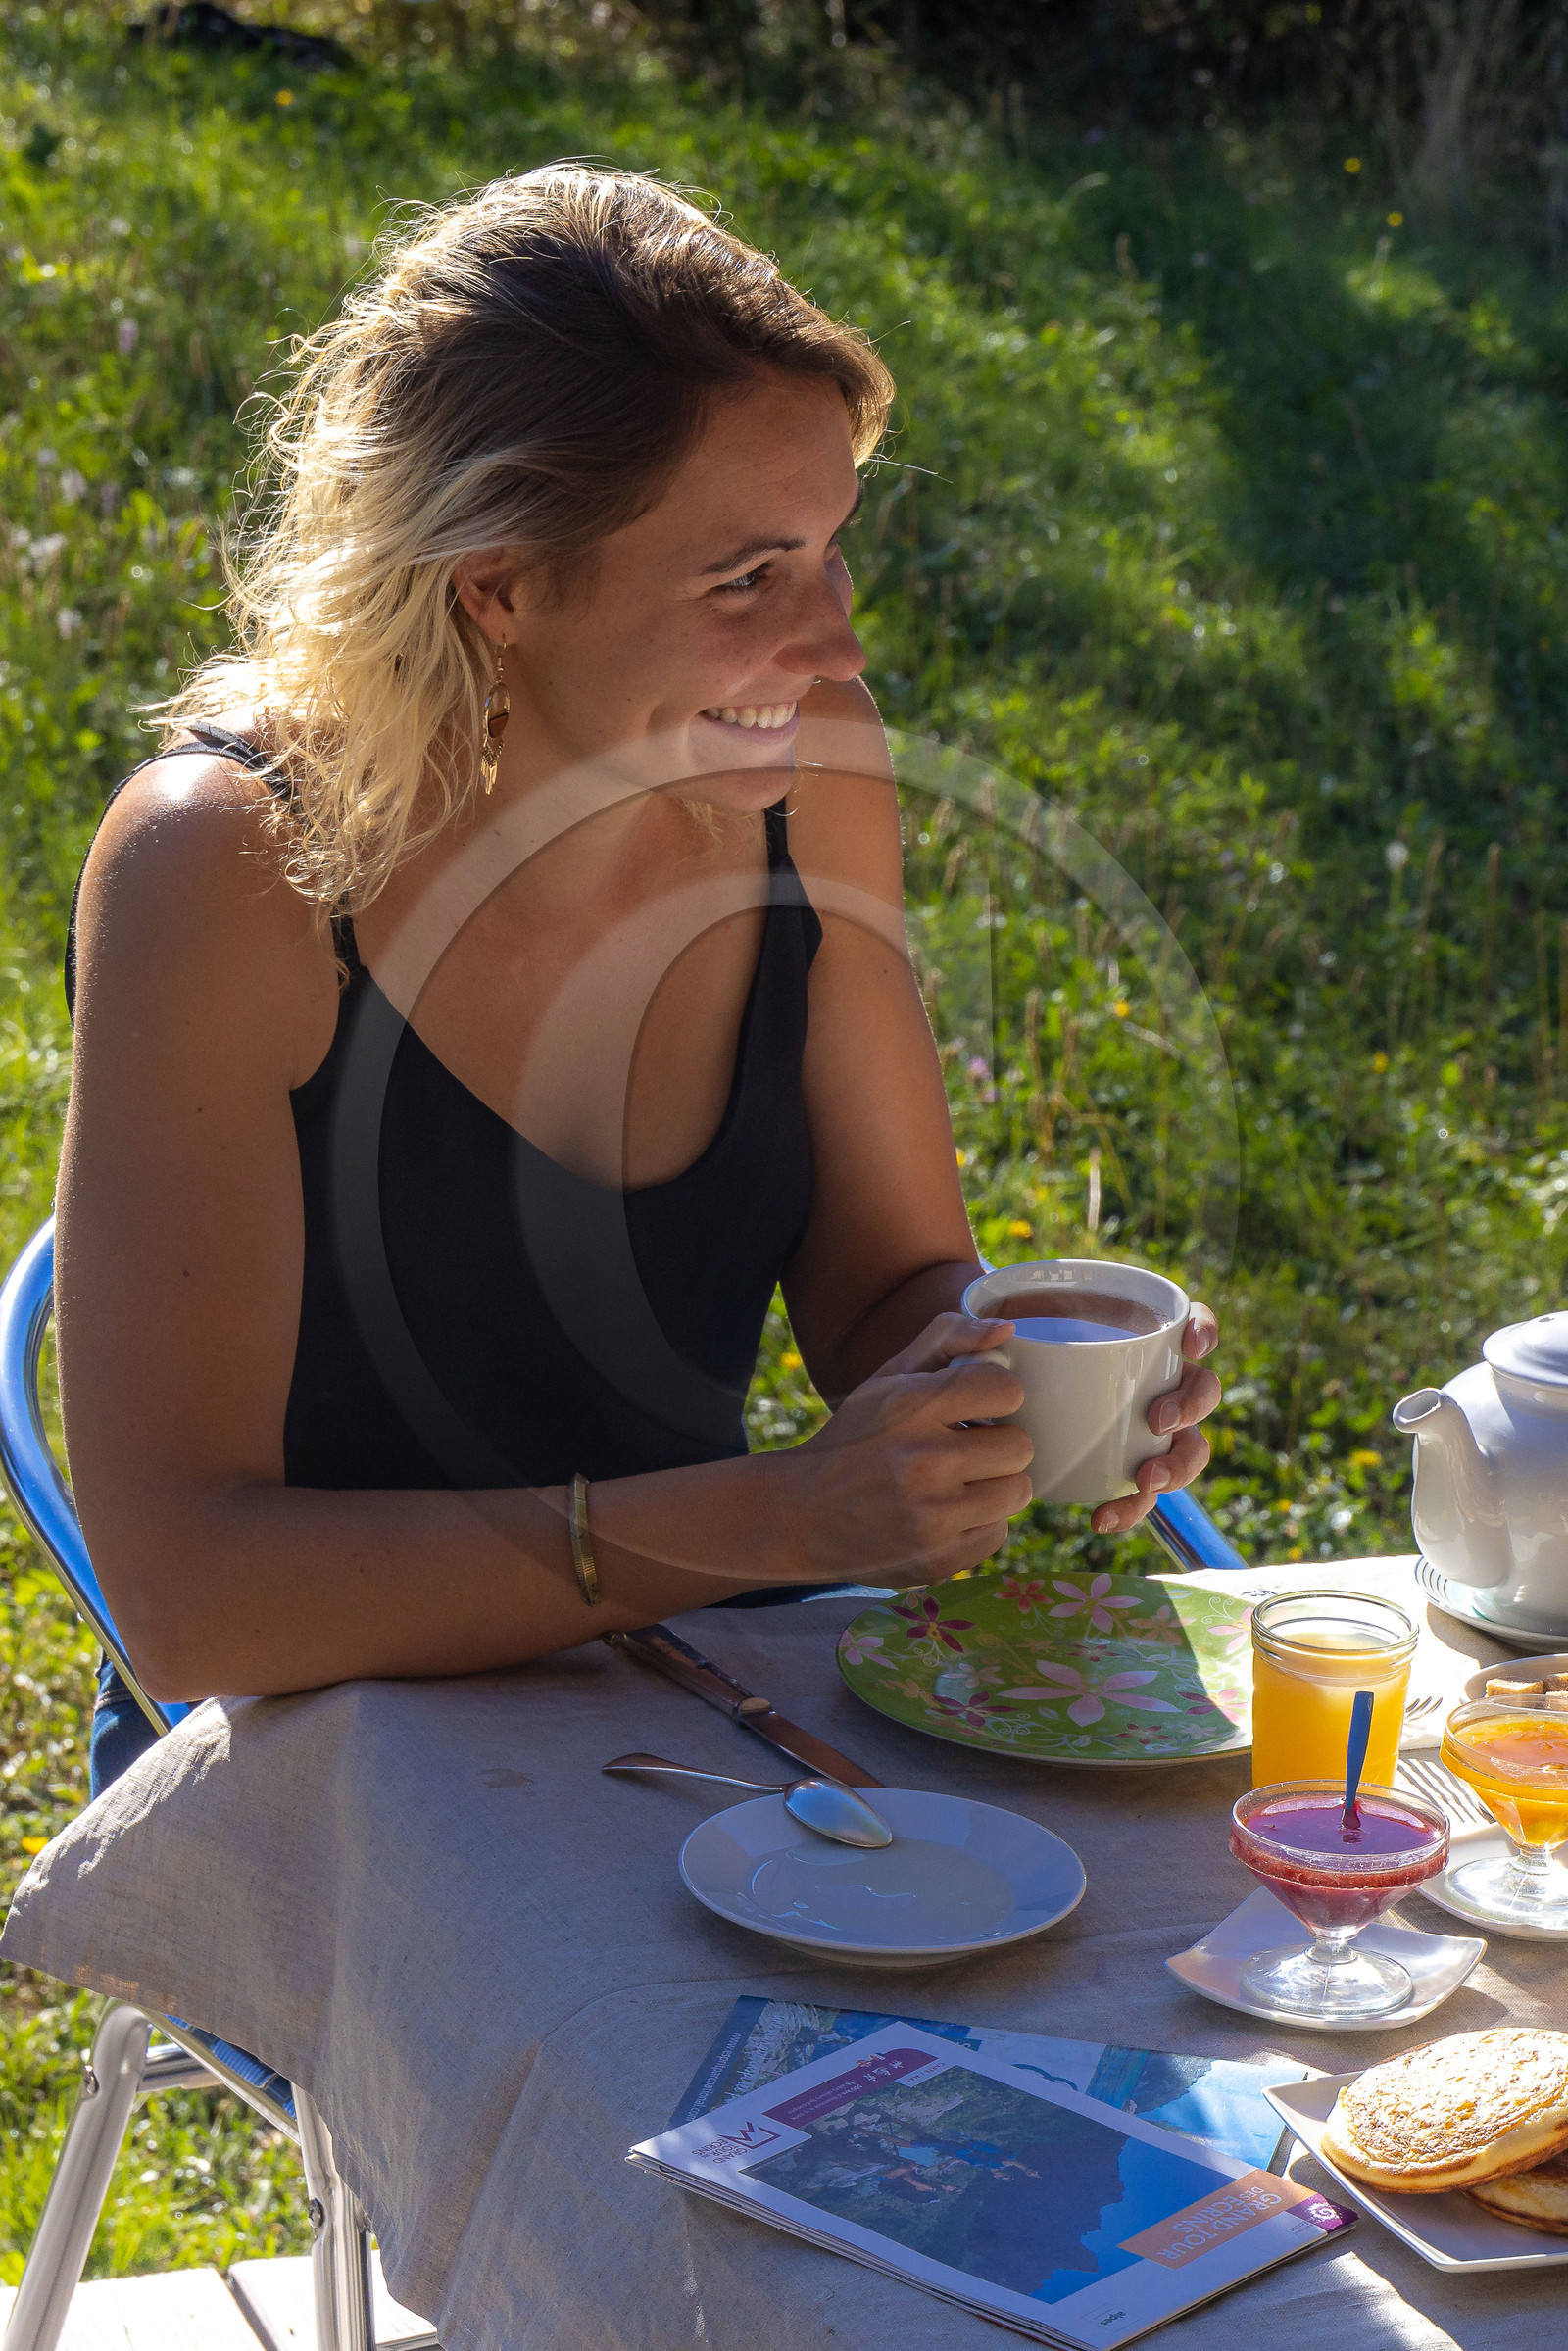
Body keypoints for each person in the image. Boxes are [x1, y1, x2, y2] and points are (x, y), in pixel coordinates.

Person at [56, 167, 1220, 1795]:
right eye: (748, 579)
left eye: (831, 554)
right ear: (500, 585)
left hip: (713, 1698)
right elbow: (194, 1602)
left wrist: (1018, 1391)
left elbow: (891, 1286)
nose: (838, 652)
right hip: (313, 1756)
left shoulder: (811, 773)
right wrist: (777, 1518)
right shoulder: (232, 867)